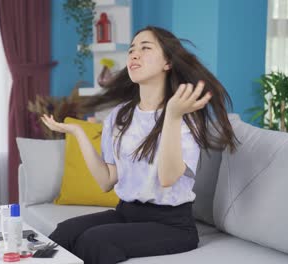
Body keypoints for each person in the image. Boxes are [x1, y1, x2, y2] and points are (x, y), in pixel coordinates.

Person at [40, 26, 238, 264]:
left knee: (95, 240)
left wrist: (172, 116)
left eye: (145, 48)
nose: (134, 54)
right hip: (126, 213)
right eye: (132, 49)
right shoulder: (120, 115)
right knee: (65, 232)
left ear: (167, 62)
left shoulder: (184, 115)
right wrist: (78, 133)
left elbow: (167, 178)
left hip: (172, 225)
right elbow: (106, 181)